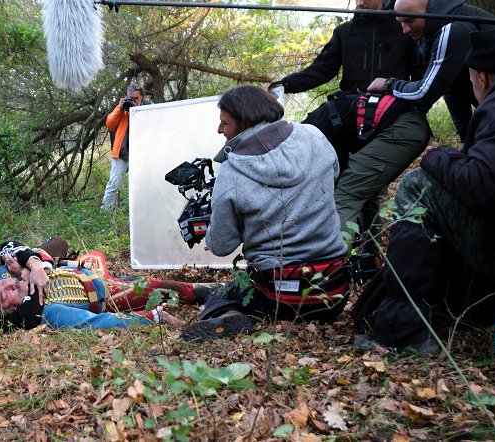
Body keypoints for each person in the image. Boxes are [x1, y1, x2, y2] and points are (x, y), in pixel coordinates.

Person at [353, 29, 495, 357]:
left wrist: (439, 155)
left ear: (482, 76)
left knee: (417, 185)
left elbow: (482, 187)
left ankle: (401, 330)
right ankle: (466, 310)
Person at [181, 85, 350, 341]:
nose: (219, 130)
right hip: (334, 290)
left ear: (244, 122)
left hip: (281, 297)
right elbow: (333, 178)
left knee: (224, 296)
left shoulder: (231, 174)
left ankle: (227, 316)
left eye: (224, 123)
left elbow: (220, 245)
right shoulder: (315, 136)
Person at [270, 0, 431, 233]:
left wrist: (410, 108)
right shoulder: (345, 32)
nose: (359, 2)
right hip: (347, 121)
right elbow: (322, 69)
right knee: (343, 184)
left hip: (388, 120)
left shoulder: (402, 29)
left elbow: (420, 77)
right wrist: (285, 84)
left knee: (371, 189)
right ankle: (351, 248)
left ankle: (369, 253)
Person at [0, 238, 217, 330]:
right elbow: (33, 316)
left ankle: (57, 258)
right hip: (87, 291)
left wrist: (32, 264)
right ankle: (203, 292)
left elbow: (8, 245)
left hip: (63, 270)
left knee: (89, 256)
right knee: (149, 288)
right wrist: (25, 282)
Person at [367, 0, 495, 141]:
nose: (405, 30)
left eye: (409, 20)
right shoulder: (438, 25)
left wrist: (388, 84)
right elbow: (452, 87)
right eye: (400, 22)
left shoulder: (451, 29)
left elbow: (423, 93)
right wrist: (466, 139)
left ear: (428, 11)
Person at [101, 83, 146, 212]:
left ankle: (139, 212)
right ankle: (106, 213)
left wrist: (138, 110)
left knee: (140, 185)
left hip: (140, 155)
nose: (133, 101)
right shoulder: (123, 110)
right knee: (113, 184)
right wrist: (119, 108)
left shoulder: (148, 109)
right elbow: (110, 124)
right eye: (130, 98)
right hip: (122, 153)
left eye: (136, 98)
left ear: (142, 97)